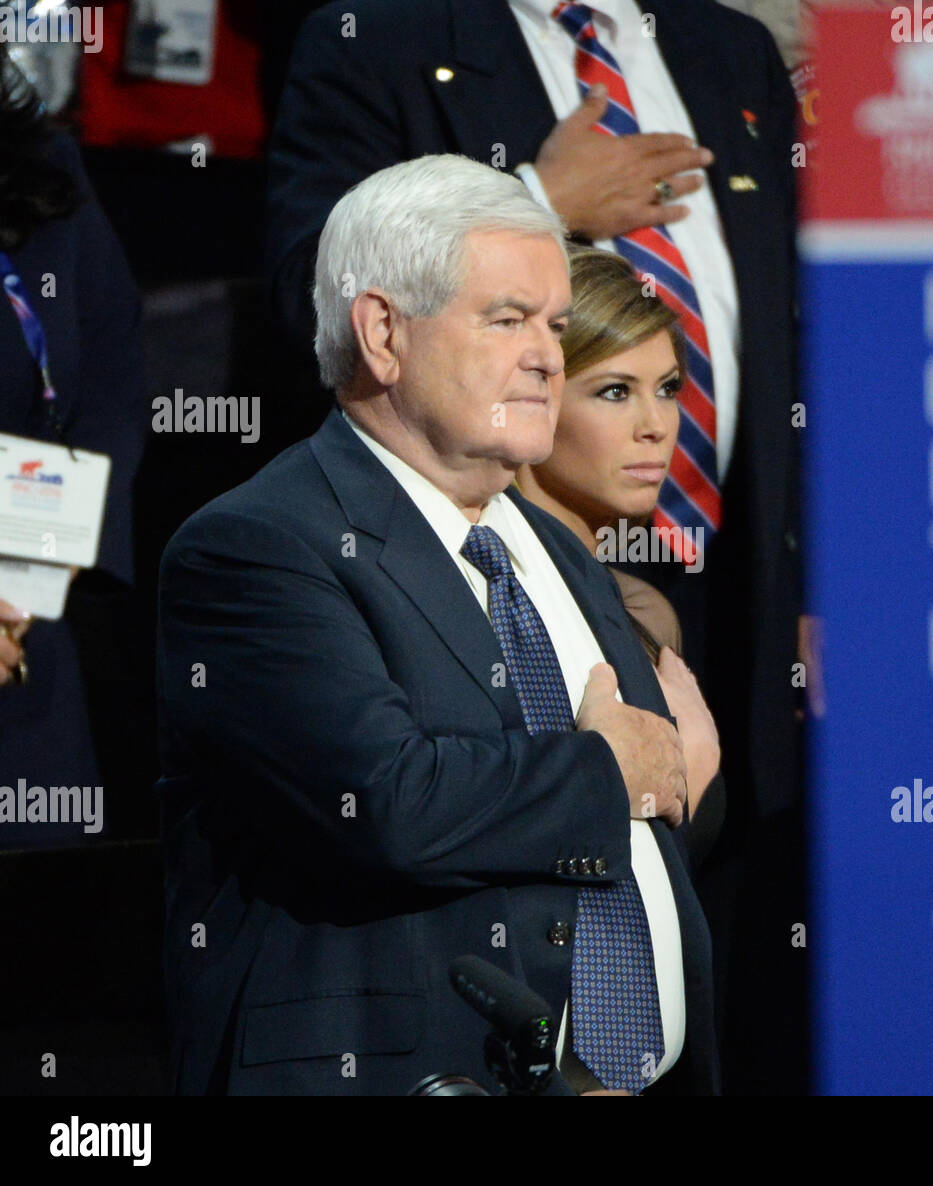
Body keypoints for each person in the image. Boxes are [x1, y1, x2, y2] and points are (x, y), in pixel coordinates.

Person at [265, 0, 808, 1093]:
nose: (544, 359)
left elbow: (803, 327)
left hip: (743, 592)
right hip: (506, 545)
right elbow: (311, 288)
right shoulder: (383, 35)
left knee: (725, 956)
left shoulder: (726, 45)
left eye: (554, 329)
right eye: (527, 325)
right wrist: (544, 203)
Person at [157, 154, 718, 1096]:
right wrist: (609, 769)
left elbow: (642, 804)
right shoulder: (259, 547)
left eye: (555, 324)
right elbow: (387, 802)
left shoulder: (556, 549)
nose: (546, 353)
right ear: (383, 333)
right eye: (507, 320)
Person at [515, 245, 724, 868]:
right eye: (614, 391)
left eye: (666, 389)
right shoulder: (489, 594)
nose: (657, 425)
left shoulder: (645, 611)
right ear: (531, 396)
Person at [0, 44, 148, 842]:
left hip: (24, 637)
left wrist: (28, 571)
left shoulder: (39, 162)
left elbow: (110, 381)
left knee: (39, 945)